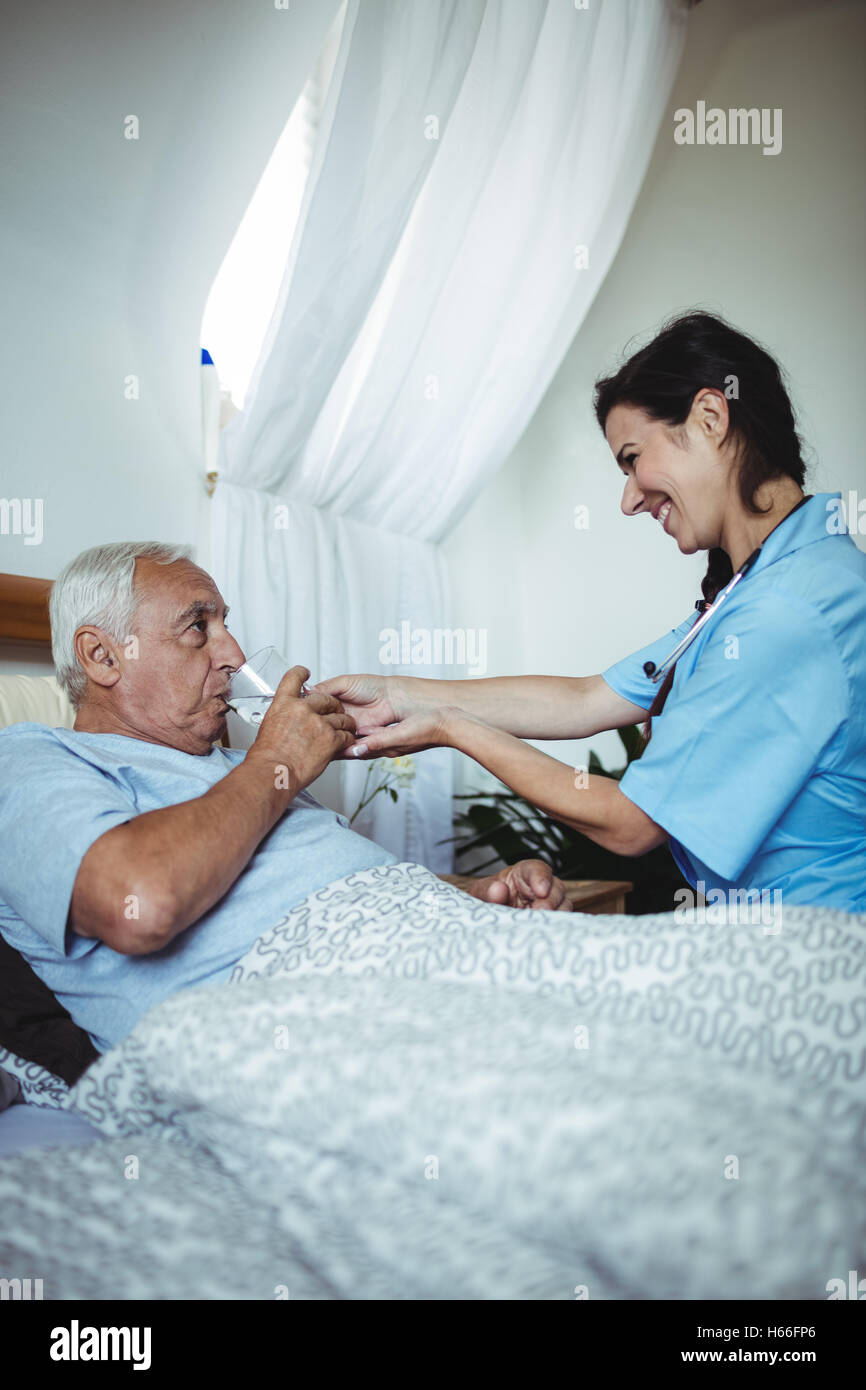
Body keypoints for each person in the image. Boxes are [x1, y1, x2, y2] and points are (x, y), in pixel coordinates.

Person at [319, 312, 866, 913]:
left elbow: (631, 823)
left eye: (632, 459)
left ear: (711, 418)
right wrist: (398, 695)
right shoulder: (767, 582)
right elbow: (587, 699)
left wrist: (452, 726)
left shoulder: (789, 610)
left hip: (822, 953)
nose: (629, 499)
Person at [0, 543, 570, 1056]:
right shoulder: (32, 761)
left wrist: (470, 900)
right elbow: (141, 905)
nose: (234, 653)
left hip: (445, 964)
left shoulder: (235, 772)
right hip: (320, 1026)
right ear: (102, 656)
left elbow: (330, 885)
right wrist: (278, 763)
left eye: (226, 625)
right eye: (198, 627)